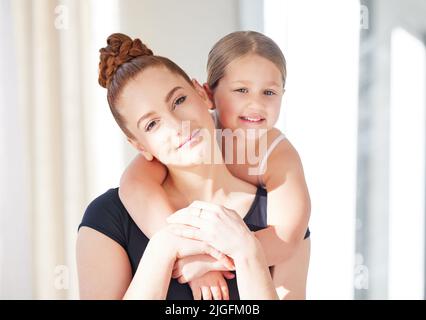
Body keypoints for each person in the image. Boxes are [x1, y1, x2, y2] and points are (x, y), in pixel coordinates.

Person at [119, 31, 311, 299]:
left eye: (269, 92)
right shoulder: (190, 135)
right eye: (241, 90)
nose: (255, 104)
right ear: (208, 94)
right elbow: (133, 184)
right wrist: (182, 254)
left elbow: (287, 239)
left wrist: (207, 261)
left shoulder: (277, 152)